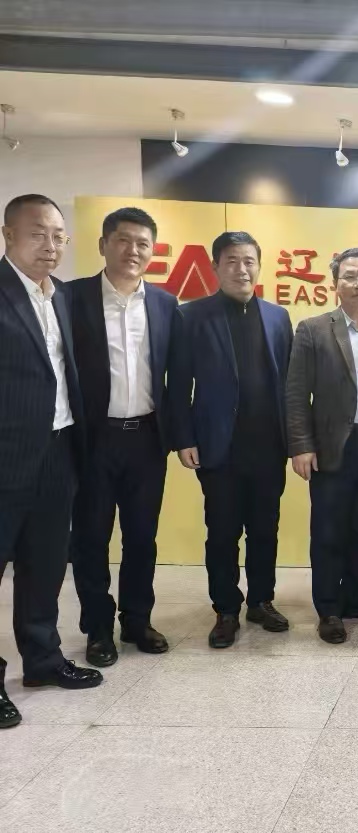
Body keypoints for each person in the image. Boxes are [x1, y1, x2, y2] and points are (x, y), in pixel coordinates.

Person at [0, 194, 102, 729]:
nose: (51, 245)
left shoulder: (61, 296)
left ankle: (42, 660)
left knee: (44, 565)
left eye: (59, 236)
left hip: (58, 450)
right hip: (5, 457)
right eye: (38, 233)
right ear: (8, 235)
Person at [67, 207, 181, 668]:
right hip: (93, 440)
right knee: (91, 538)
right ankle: (98, 628)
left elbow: (177, 377)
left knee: (141, 537)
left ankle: (137, 620)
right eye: (123, 240)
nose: (133, 250)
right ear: (103, 245)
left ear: (152, 251)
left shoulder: (166, 305)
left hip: (147, 439)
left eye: (142, 243)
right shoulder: (71, 297)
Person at [169, 231, 294, 649]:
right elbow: (178, 384)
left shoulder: (278, 317)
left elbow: (290, 385)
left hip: (269, 446)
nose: (242, 269)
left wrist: (295, 440)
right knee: (222, 533)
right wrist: (184, 437)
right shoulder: (191, 316)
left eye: (248, 261)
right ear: (215, 267)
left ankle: (261, 601)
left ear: (259, 266)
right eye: (232, 261)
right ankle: (226, 609)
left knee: (265, 530)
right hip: (218, 447)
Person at [285, 247, 358, 645]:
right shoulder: (313, 329)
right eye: (350, 276)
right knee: (329, 530)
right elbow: (296, 393)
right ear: (335, 284)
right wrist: (301, 446)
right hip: (332, 447)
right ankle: (329, 608)